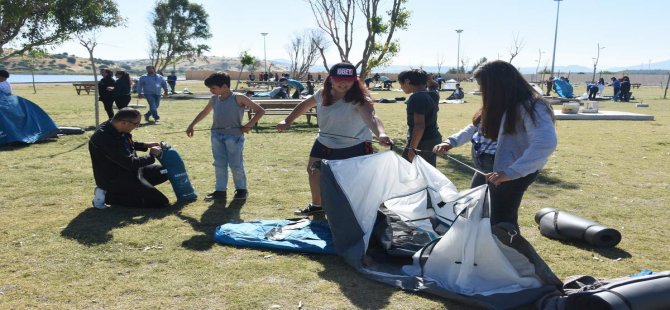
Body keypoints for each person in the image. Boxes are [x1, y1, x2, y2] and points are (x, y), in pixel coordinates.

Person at [433, 60, 557, 230]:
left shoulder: (532, 106)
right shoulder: (498, 101)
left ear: (500, 85)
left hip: (509, 172)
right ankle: (478, 249)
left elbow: (545, 142)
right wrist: (451, 141)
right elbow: (476, 126)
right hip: (488, 168)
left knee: (501, 219)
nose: (481, 90)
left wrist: (511, 172)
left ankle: (508, 253)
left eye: (484, 86)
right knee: (474, 208)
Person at [276, 62, 392, 216]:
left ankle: (360, 209)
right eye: (338, 79)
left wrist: (381, 134)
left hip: (354, 145)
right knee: (313, 172)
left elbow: (372, 117)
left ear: (355, 80)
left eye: (348, 80)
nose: (343, 83)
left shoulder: (360, 98)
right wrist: (287, 120)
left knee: (353, 180)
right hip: (324, 141)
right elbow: (304, 105)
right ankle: (317, 205)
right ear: (330, 79)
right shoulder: (322, 93)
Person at [186, 72, 266, 202]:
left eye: (213, 88)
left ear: (224, 86)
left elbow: (260, 111)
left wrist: (249, 125)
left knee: (236, 164)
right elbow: (205, 112)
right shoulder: (214, 99)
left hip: (233, 137)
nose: (211, 91)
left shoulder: (238, 97)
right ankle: (220, 191)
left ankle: (241, 190)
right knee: (219, 163)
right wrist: (192, 125)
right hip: (216, 136)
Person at [89, 108, 169, 209]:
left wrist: (144, 145)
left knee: (165, 171)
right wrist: (152, 155)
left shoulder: (115, 126)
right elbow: (129, 163)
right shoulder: (104, 138)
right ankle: (109, 196)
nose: (137, 126)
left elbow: (125, 145)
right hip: (115, 179)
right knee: (160, 202)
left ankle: (136, 190)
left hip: (132, 171)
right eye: (136, 124)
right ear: (124, 123)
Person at [397, 69, 442, 166]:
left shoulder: (416, 98)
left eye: (401, 84)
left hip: (422, 142)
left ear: (407, 81)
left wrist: (412, 149)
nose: (401, 87)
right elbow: (434, 86)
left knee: (406, 169)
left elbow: (419, 125)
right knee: (427, 170)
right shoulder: (433, 95)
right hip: (433, 139)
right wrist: (429, 80)